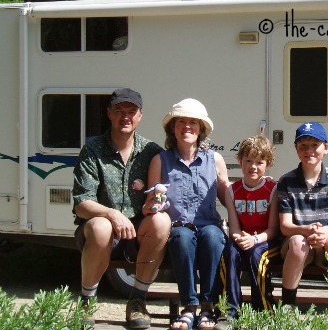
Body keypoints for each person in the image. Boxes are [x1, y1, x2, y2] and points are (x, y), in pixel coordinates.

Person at [73, 88, 171, 329]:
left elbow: (161, 190)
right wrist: (111, 213)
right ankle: (87, 302)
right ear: (109, 113)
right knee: (100, 225)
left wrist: (155, 204)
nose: (125, 116)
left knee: (162, 221)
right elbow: (81, 204)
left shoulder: (152, 152)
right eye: (119, 111)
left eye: (131, 111)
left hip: (139, 232)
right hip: (99, 234)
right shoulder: (92, 150)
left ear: (140, 116)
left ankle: (137, 301)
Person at [146, 98, 230, 330]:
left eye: (193, 122)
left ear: (201, 129)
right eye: (181, 121)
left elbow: (228, 198)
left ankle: (207, 307)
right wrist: (155, 205)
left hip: (209, 224)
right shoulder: (160, 161)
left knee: (213, 238)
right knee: (182, 238)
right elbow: (151, 201)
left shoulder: (215, 160)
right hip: (178, 226)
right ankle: (189, 308)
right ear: (173, 128)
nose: (187, 127)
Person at [277, 122, 328, 330]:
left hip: (324, 241)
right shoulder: (286, 181)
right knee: (297, 243)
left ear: (326, 148)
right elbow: (285, 226)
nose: (309, 150)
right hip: (298, 242)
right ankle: (288, 305)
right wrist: (307, 230)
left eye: (315, 145)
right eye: (303, 145)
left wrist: (324, 232)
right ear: (296, 149)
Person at [214, 136, 281, 330]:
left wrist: (254, 240)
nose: (253, 167)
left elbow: (274, 229)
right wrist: (239, 238)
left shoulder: (272, 189)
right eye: (248, 161)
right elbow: (233, 226)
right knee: (229, 252)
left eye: (259, 162)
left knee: (256, 256)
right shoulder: (232, 191)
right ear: (240, 161)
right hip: (243, 238)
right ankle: (229, 312)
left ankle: (263, 310)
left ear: (267, 164)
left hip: (266, 241)